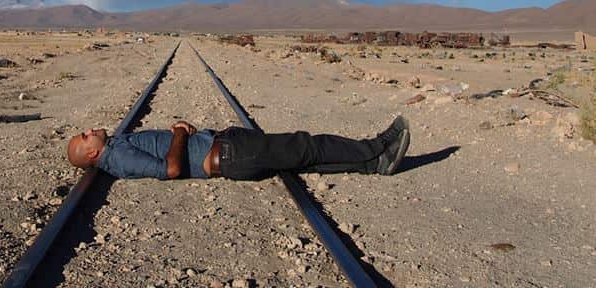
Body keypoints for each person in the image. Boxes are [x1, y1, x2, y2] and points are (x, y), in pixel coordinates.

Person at [66, 116, 410, 180]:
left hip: (230, 149)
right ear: (92, 153)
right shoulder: (119, 156)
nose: (89, 131)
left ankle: (373, 165)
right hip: (232, 156)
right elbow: (169, 169)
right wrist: (179, 133)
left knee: (301, 160)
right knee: (307, 145)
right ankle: (378, 147)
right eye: (85, 137)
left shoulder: (115, 147)